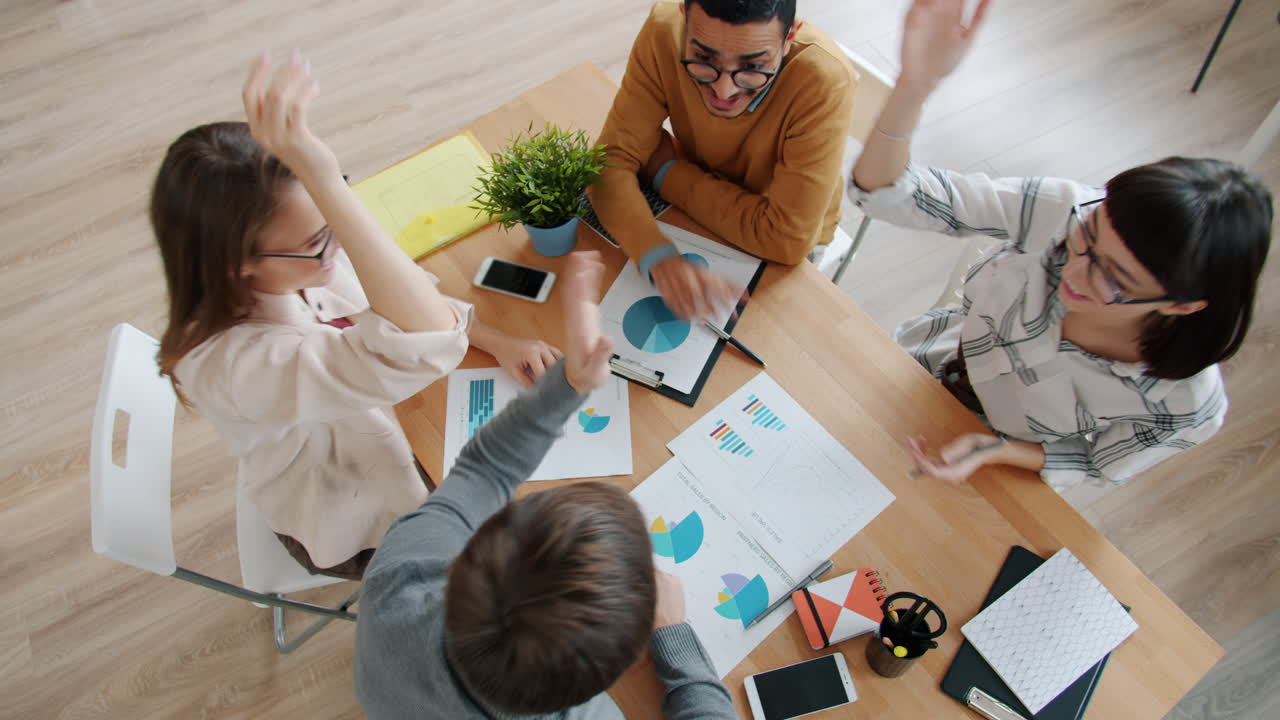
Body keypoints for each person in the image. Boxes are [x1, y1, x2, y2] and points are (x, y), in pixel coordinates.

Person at [151, 51, 561, 579]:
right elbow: (423, 335)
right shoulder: (236, 367)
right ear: (240, 265)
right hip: (348, 515)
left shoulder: (295, 259)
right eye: (319, 239)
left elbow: (414, 308)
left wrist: (498, 339)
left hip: (384, 434)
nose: (339, 243)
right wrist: (323, 180)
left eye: (335, 211)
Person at [849, 0, 1272, 490]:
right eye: (1087, 240)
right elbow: (885, 194)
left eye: (1114, 279)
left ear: (1182, 305)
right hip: (918, 366)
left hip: (990, 469)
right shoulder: (1066, 209)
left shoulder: (1185, 403)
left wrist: (998, 449)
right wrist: (914, 86)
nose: (1073, 272)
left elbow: (1099, 464)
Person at [353, 251, 736, 720]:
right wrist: (672, 633)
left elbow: (485, 468)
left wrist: (570, 384)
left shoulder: (400, 578)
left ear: (478, 547)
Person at [588, 0, 857, 319]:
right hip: (699, 209)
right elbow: (608, 164)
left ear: (790, 38)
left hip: (781, 248)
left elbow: (785, 241)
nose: (724, 90)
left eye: (753, 67)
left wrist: (665, 171)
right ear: (683, 19)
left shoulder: (824, 79)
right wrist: (657, 256)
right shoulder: (664, 30)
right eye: (703, 58)